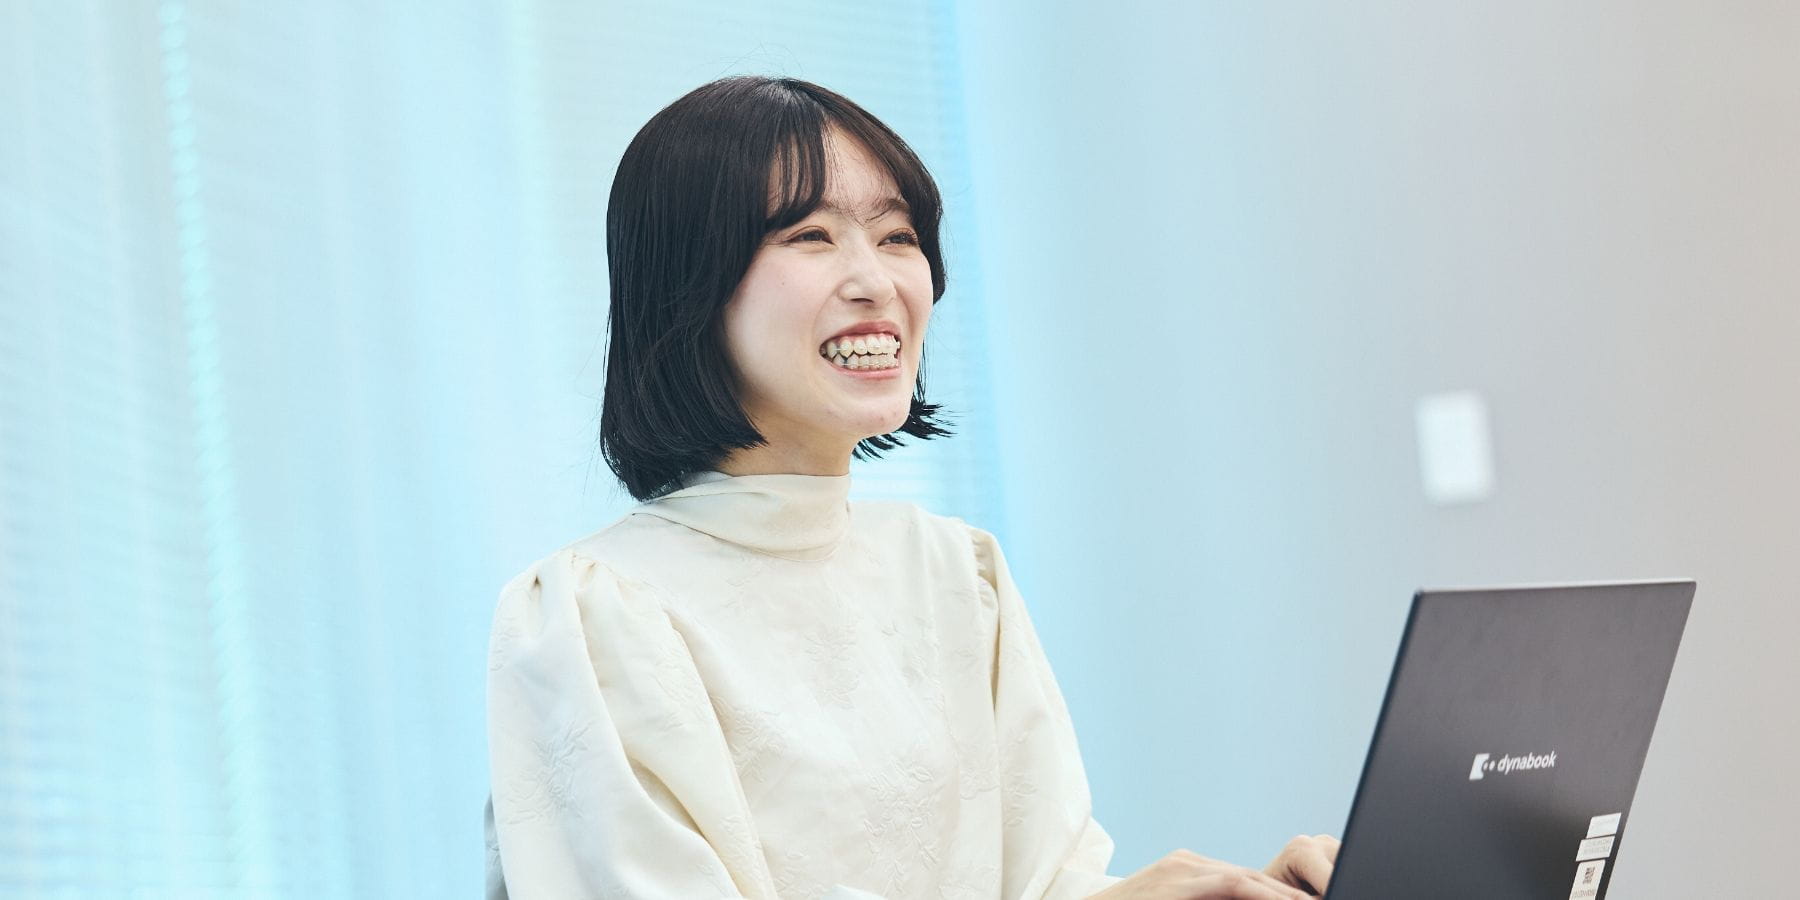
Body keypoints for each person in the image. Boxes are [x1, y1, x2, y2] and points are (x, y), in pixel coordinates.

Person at [482, 74, 1338, 900]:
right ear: (688, 285)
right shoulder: (595, 613)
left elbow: (1049, 882)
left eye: (897, 236)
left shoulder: (956, 571)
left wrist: (1237, 893)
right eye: (810, 236)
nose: (878, 282)